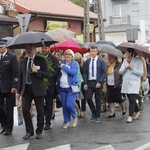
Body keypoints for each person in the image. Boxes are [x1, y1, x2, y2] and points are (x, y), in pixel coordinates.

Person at [16, 44, 49, 140]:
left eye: (30, 49)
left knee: (40, 110)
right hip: (26, 89)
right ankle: (29, 131)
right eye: (26, 49)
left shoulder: (41, 60)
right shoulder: (23, 62)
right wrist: (18, 91)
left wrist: (37, 71)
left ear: (35, 49)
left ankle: (39, 131)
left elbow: (47, 74)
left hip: (38, 89)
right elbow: (21, 77)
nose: (28, 50)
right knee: (25, 109)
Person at [119, 48, 143, 123]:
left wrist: (133, 68)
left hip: (134, 83)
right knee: (130, 98)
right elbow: (120, 72)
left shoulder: (138, 61)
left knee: (132, 99)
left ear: (130, 53)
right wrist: (126, 68)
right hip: (126, 83)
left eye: (126, 52)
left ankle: (130, 116)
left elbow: (141, 73)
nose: (125, 53)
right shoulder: (125, 61)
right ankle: (137, 111)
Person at [0, 40, 19, 135]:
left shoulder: (12, 57)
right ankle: (3, 124)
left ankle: (9, 128)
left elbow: (16, 73)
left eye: (1, 47)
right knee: (1, 108)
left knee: (9, 108)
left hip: (9, 87)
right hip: (0, 87)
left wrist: (14, 86)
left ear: (5, 47)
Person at [83, 45, 107, 122]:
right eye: (91, 51)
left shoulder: (101, 61)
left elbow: (104, 73)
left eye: (94, 51)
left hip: (97, 82)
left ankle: (97, 115)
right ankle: (93, 112)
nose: (92, 53)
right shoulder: (87, 62)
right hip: (89, 82)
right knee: (89, 98)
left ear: (97, 52)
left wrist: (100, 81)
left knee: (98, 99)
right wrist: (85, 83)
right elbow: (85, 73)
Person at [57, 49, 79, 129]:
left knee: (69, 104)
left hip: (72, 87)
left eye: (69, 55)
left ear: (72, 56)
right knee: (64, 106)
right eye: (66, 54)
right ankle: (67, 121)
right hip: (62, 87)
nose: (67, 56)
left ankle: (74, 117)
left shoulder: (75, 63)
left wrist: (64, 67)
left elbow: (73, 72)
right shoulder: (61, 62)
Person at [41, 46, 59, 130]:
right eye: (43, 48)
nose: (44, 49)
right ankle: (42, 119)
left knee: (49, 103)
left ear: (48, 49)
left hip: (50, 84)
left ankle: (47, 121)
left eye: (45, 48)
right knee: (41, 103)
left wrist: (48, 75)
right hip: (40, 84)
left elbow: (56, 71)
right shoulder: (39, 57)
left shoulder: (53, 59)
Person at [74, 52, 86, 118]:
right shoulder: (75, 65)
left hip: (81, 82)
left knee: (81, 97)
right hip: (77, 82)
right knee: (78, 97)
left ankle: (81, 110)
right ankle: (80, 110)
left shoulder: (82, 65)